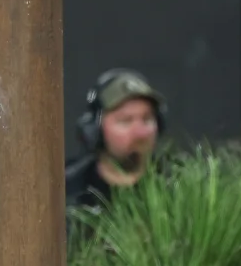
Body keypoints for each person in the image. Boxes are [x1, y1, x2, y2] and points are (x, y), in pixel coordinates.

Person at [65, 68, 166, 213]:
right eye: (125, 121)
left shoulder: (178, 184)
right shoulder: (66, 190)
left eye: (147, 119)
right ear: (95, 129)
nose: (141, 133)